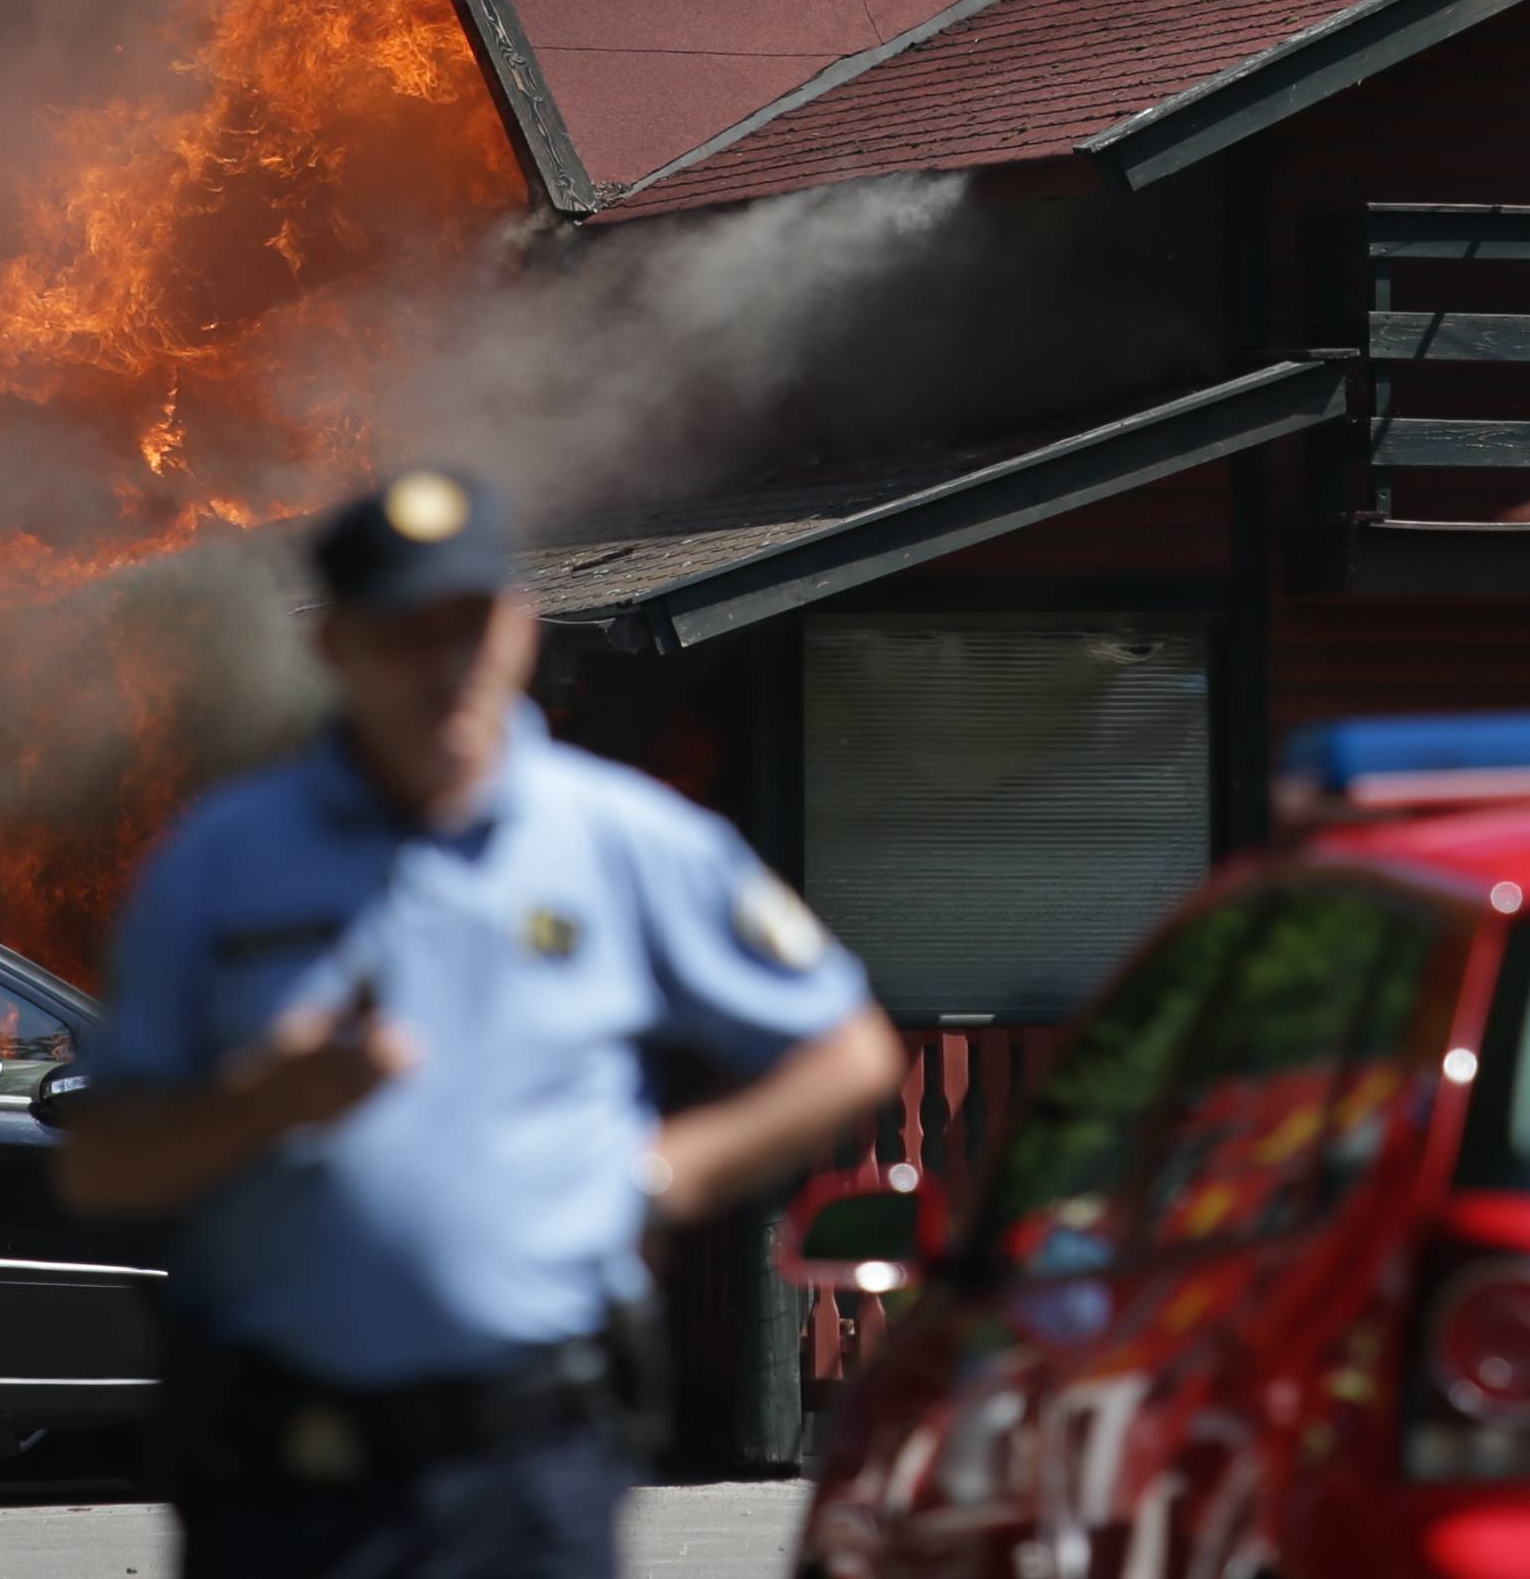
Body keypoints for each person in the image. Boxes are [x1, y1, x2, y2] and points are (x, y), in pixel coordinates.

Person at [60, 466, 903, 1579]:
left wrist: (655, 1176)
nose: (443, 663)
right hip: (280, 1482)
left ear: (516, 626)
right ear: (334, 648)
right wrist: (264, 1106)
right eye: (404, 630)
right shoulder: (220, 863)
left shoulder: (624, 842)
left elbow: (847, 1051)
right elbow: (102, 1170)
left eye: (468, 623)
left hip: (529, 1476)